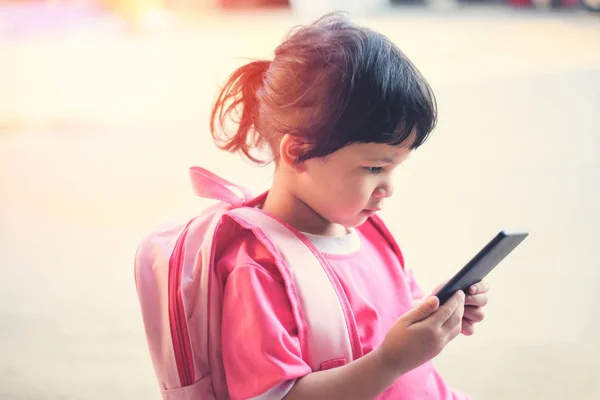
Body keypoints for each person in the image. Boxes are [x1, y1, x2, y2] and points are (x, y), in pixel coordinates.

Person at [211, 12, 490, 400]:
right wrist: (391, 361)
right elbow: (278, 395)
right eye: (375, 167)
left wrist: (433, 312)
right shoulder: (259, 269)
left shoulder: (369, 233)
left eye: (396, 167)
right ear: (299, 153)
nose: (388, 188)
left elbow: (380, 321)